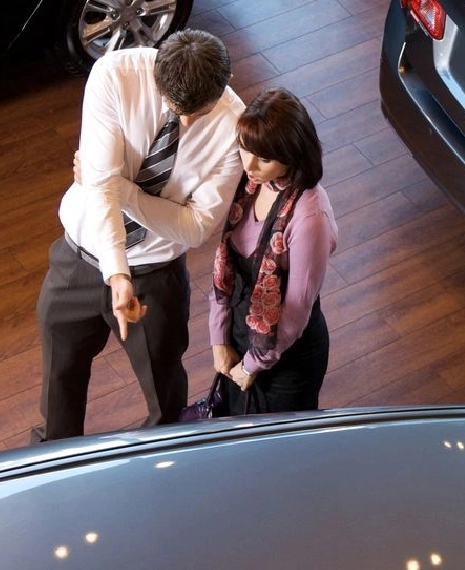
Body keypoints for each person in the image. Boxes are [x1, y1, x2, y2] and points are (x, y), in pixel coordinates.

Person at [32, 29, 245, 442]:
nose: (185, 121)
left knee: (164, 395)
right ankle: (51, 467)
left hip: (156, 275)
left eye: (197, 113)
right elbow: (101, 191)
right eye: (174, 107)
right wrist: (116, 273)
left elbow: (197, 226)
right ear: (156, 75)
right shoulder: (114, 75)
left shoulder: (234, 124)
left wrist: (121, 189)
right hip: (77, 260)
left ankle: (164, 466)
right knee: (58, 384)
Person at [209, 88, 338, 414]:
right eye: (244, 150)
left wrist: (252, 365)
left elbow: (295, 313)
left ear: (292, 154)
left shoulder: (310, 216)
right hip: (242, 335)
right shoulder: (249, 183)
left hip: (285, 357)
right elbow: (225, 268)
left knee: (276, 453)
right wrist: (219, 339)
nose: (248, 165)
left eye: (263, 158)